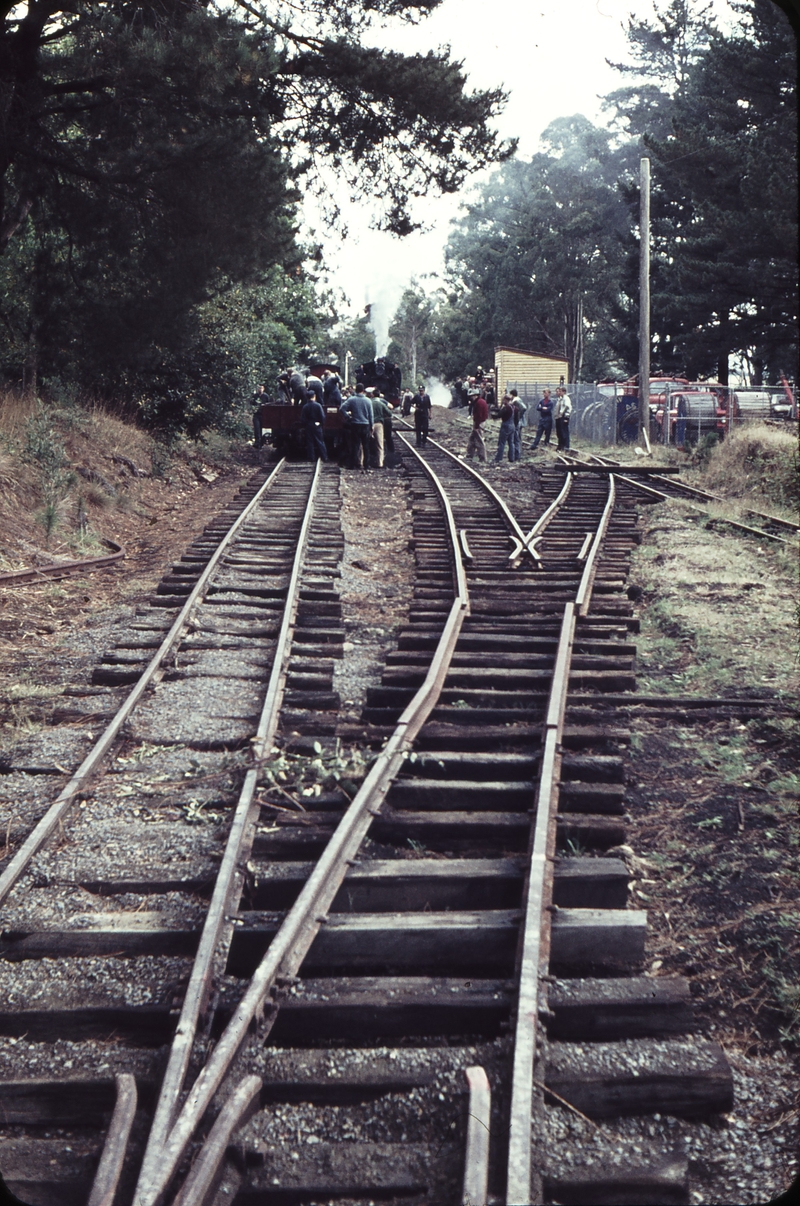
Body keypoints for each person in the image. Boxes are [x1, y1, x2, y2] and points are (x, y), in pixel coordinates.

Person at [339, 385, 374, 470]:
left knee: (355, 445)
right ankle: (366, 465)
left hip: (355, 424)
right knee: (366, 446)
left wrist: (348, 417)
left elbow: (341, 409)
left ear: (356, 390)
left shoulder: (352, 399)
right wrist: (371, 426)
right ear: (363, 390)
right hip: (365, 425)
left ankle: (353, 465)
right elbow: (371, 415)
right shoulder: (368, 401)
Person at [300, 394, 329, 463]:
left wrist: (307, 423)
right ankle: (324, 457)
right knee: (320, 441)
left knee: (310, 442)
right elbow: (322, 417)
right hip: (317, 425)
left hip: (309, 425)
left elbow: (303, 418)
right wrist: (320, 423)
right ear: (314, 396)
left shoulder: (305, 406)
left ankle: (311, 457)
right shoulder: (318, 405)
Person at [369, 393, 393, 467]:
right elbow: (390, 413)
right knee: (380, 444)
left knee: (366, 443)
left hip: (369, 424)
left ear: (372, 395)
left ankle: (364, 462)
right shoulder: (381, 403)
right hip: (379, 424)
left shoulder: (369, 402)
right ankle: (380, 463)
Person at [467, 391, 489, 462]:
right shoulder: (481, 401)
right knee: (472, 439)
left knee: (479, 441)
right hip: (480, 422)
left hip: (479, 423)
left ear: (475, 395)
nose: (471, 398)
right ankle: (469, 455)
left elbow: (479, 415)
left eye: (472, 396)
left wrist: (476, 426)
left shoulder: (479, 403)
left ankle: (483, 458)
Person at [493, 396, 515, 463]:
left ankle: (498, 458)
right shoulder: (513, 407)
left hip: (506, 425)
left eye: (504, 400)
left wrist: (493, 415)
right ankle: (511, 458)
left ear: (505, 400)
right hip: (512, 425)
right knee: (511, 443)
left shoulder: (506, 407)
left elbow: (499, 414)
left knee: (502, 442)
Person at [554, 386, 573, 450]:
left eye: (561, 391)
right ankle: (561, 445)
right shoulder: (561, 399)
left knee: (564, 431)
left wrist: (562, 413)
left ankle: (566, 446)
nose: (559, 392)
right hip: (560, 417)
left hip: (564, 416)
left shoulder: (566, 398)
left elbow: (567, 406)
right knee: (560, 432)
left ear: (564, 392)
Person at [252, 383, 269, 448]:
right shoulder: (255, 396)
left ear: (263, 389)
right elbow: (252, 404)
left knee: (261, 428)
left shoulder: (266, 396)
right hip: (256, 414)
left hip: (263, 415)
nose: (260, 389)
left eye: (261, 388)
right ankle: (257, 442)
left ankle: (261, 443)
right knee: (257, 428)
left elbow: (268, 404)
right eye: (259, 388)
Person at [511, 390, 526, 461]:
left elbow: (523, 408)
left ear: (512, 395)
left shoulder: (516, 401)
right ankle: (518, 452)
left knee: (517, 438)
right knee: (518, 438)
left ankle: (518, 454)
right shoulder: (517, 400)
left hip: (518, 421)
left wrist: (518, 416)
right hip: (519, 421)